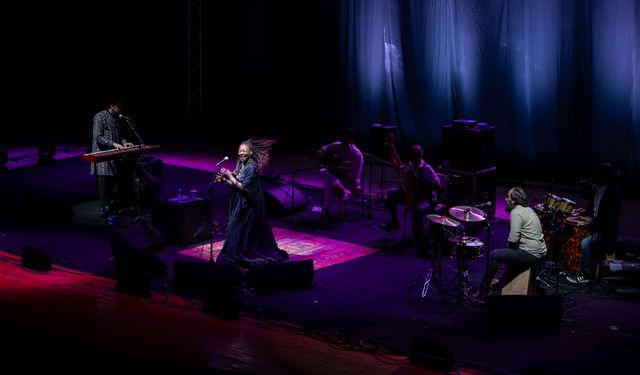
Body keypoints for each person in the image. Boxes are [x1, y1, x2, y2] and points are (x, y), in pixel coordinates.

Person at [215, 137, 289, 267]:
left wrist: (230, 176)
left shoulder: (251, 167)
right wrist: (225, 180)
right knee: (238, 225)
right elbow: (235, 183)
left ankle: (246, 251)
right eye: (240, 151)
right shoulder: (241, 164)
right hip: (242, 200)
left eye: (244, 151)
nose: (241, 153)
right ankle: (237, 250)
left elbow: (242, 186)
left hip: (250, 203)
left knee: (247, 227)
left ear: (250, 153)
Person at [478, 187, 547, 296]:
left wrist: (508, 250)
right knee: (505, 253)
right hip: (539, 252)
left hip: (530, 253)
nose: (505, 199)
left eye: (507, 197)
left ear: (514, 200)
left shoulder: (516, 212)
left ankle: (483, 290)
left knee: (493, 255)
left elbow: (513, 239)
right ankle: (500, 282)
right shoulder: (529, 209)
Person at [566, 163, 621, 284]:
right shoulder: (597, 191)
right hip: (595, 229)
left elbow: (610, 221)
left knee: (586, 243)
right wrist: (583, 213)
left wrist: (592, 220)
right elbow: (593, 210)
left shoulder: (613, 195)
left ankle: (587, 275)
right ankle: (572, 267)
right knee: (574, 236)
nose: (595, 176)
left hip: (606, 233)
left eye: (597, 174)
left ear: (604, 176)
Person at [382, 140, 441, 242]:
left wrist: (419, 183)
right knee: (391, 193)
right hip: (411, 195)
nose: (414, 157)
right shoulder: (408, 165)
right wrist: (391, 147)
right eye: (412, 154)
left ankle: (418, 237)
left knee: (417, 210)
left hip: (426, 198)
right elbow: (399, 169)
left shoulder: (427, 169)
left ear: (421, 155)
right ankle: (394, 222)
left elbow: (437, 186)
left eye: (416, 155)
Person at [90, 97, 134, 215]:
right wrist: (113, 144)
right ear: (111, 105)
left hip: (115, 153)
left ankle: (113, 201)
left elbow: (122, 134)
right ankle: (104, 204)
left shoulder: (119, 118)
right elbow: (98, 136)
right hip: (102, 152)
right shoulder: (99, 116)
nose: (121, 109)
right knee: (104, 179)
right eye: (119, 106)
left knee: (115, 179)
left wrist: (125, 143)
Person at [317, 128, 364, 220]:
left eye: (346, 138)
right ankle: (343, 191)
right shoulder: (336, 146)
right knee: (323, 171)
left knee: (328, 184)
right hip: (335, 177)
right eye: (342, 137)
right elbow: (321, 151)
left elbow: (355, 175)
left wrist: (342, 171)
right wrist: (328, 161)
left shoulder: (357, 154)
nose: (343, 140)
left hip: (348, 181)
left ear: (351, 139)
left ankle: (325, 214)